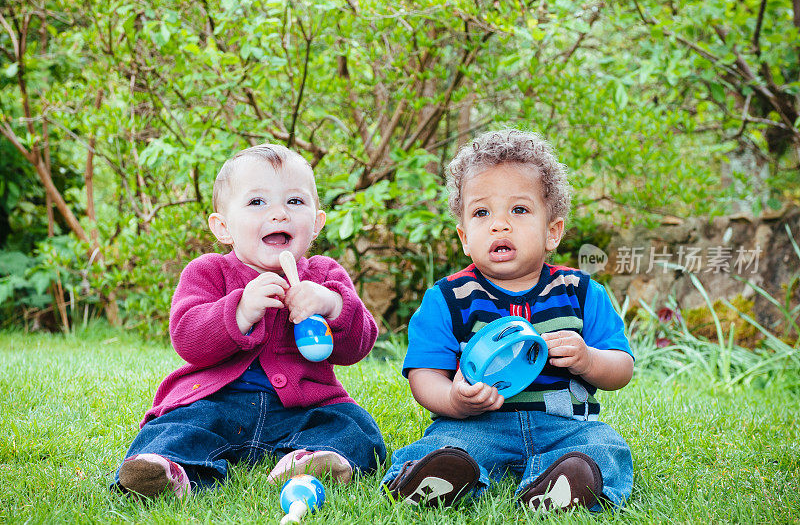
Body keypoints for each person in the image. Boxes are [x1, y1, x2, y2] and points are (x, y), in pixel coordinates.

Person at [381, 130, 634, 512]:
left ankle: (565, 485)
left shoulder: (581, 292)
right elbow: (424, 375)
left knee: (604, 445)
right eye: (482, 213)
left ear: (552, 231)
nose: (500, 225)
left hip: (564, 427)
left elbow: (622, 367)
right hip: (475, 426)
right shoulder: (449, 298)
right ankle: (441, 477)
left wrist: (589, 360)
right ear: (465, 237)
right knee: (444, 447)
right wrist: (454, 400)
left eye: (519, 210)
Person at [114, 144, 386, 499]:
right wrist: (239, 311)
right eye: (257, 202)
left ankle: (312, 461)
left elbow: (359, 346)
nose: (279, 214)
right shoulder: (208, 272)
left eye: (295, 202)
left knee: (352, 426)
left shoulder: (324, 275)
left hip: (300, 408)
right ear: (223, 227)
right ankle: (168, 469)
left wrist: (332, 304)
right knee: (179, 426)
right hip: (215, 402)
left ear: (317, 223)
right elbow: (187, 338)